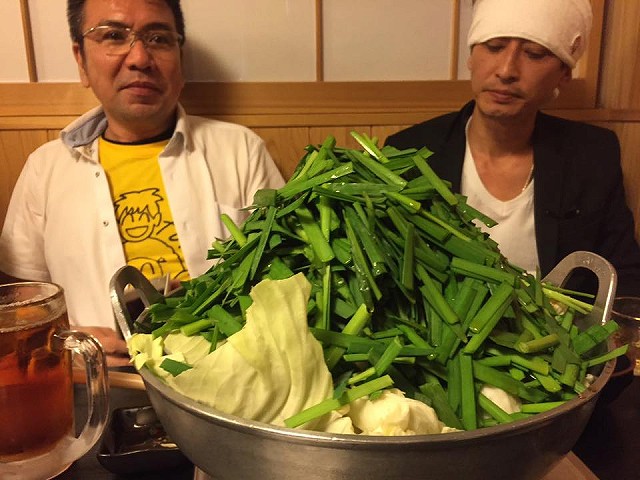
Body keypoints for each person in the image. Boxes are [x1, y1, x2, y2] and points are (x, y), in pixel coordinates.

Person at [0, 0, 285, 365]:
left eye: (159, 39)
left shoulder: (240, 150)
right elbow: (23, 303)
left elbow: (287, 272)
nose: (139, 58)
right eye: (113, 36)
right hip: (101, 377)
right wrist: (74, 340)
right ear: (81, 60)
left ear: (179, 60)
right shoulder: (45, 168)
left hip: (229, 370)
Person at [386, 0, 640, 296]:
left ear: (564, 73)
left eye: (534, 54)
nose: (506, 70)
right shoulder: (411, 152)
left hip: (562, 325)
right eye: (494, 47)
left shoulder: (591, 154)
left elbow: (624, 275)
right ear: (471, 56)